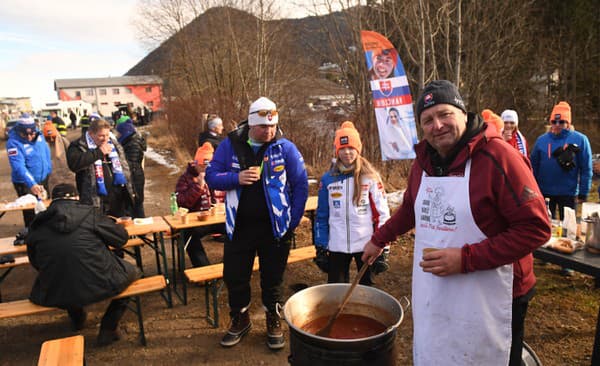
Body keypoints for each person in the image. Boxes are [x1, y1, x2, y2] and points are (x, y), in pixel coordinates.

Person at [361, 80, 551, 365]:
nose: (437, 125)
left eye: (444, 114)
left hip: (495, 294)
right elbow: (412, 208)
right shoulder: (424, 160)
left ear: (463, 112)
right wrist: (380, 239)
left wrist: (466, 259)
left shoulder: (499, 157)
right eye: (428, 120)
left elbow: (536, 228)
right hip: (438, 287)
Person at [205, 96, 308, 350]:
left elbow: (301, 185)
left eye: (273, 126)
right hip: (239, 227)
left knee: (273, 278)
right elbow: (211, 177)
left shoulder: (285, 148)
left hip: (275, 229)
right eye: (264, 126)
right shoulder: (230, 145)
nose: (269, 131)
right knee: (235, 276)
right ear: (252, 124)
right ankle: (240, 319)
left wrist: (291, 222)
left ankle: (273, 319)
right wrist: (236, 178)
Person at [26, 183, 139, 346]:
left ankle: (77, 317)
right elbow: (121, 239)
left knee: (67, 276)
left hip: (55, 289)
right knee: (135, 273)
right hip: (100, 281)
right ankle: (108, 327)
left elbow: (35, 261)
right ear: (76, 197)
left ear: (52, 201)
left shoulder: (37, 223)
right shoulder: (90, 214)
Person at [313, 121, 391, 285]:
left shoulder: (370, 177)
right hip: (337, 245)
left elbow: (382, 213)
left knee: (367, 291)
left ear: (358, 150)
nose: (347, 152)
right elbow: (321, 216)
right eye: (342, 148)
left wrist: (383, 247)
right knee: (336, 291)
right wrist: (321, 246)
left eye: (351, 148)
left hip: (366, 244)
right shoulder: (328, 179)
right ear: (337, 150)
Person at [530, 101, 592, 220]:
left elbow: (586, 168)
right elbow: (533, 166)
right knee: (544, 225)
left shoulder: (580, 140)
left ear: (568, 123)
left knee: (569, 228)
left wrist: (583, 192)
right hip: (544, 192)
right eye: (554, 121)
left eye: (561, 122)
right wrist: (533, 189)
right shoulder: (541, 140)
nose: (557, 125)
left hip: (569, 193)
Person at [67, 118, 135, 217]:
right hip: (94, 198)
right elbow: (74, 165)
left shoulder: (112, 143)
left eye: (107, 135)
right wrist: (98, 153)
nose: (105, 139)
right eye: (101, 136)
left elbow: (124, 164)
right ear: (91, 134)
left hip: (116, 196)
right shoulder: (78, 145)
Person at [175, 142, 226, 267]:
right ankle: (203, 269)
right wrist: (198, 186)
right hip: (195, 221)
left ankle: (231, 263)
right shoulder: (186, 178)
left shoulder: (216, 174)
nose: (206, 169)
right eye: (203, 166)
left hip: (216, 218)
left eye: (209, 166)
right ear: (196, 163)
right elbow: (182, 202)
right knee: (187, 235)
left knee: (237, 229)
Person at [6, 114, 52, 226]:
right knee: (31, 213)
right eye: (25, 135)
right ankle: (31, 235)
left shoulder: (39, 136)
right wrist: (32, 183)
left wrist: (48, 172)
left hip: (43, 180)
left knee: (46, 209)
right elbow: (18, 166)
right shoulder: (13, 143)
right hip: (25, 183)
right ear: (19, 131)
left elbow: (46, 154)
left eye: (31, 134)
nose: (29, 137)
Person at [116, 119, 147, 218]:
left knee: (136, 205)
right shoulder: (128, 141)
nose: (117, 135)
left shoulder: (133, 143)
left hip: (135, 177)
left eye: (119, 133)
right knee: (131, 205)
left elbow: (131, 163)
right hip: (133, 176)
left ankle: (142, 231)